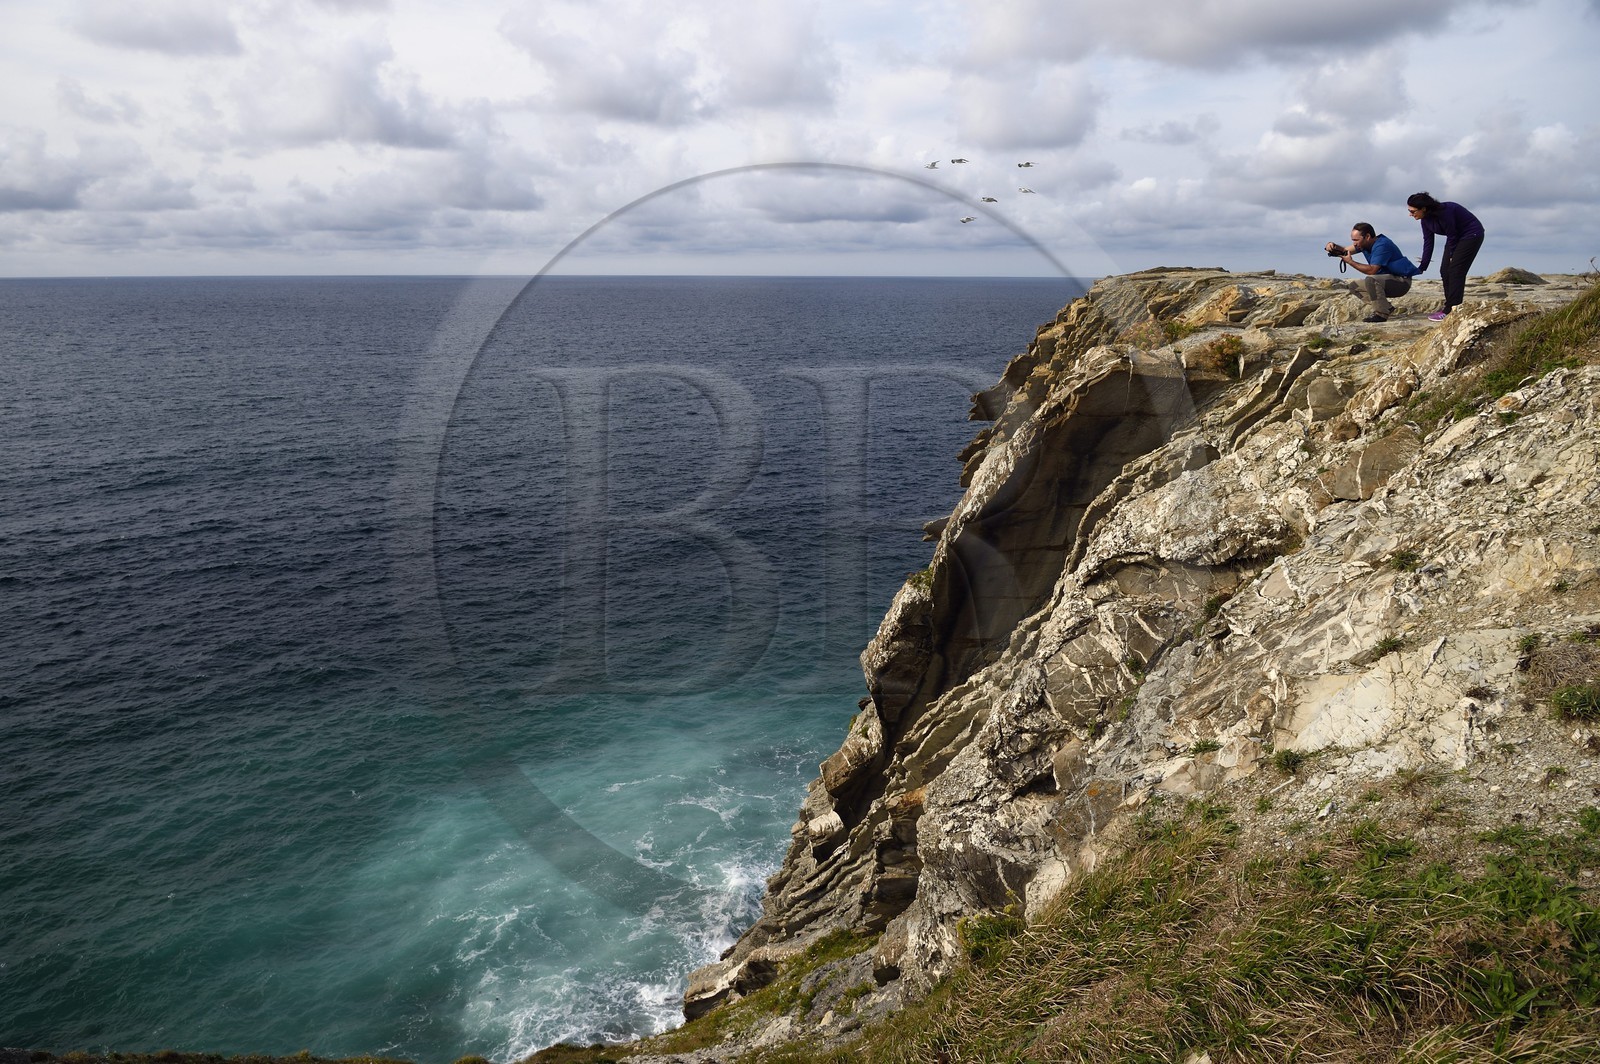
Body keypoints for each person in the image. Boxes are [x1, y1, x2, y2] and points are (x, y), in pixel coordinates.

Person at [1407, 192, 1485, 320]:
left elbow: (1452, 234)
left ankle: (1452, 309)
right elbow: (1428, 242)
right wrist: (1422, 266)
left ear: (1424, 208)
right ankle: (1450, 306)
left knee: (1455, 271)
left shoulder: (1445, 212)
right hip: (1455, 237)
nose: (1410, 214)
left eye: (1413, 211)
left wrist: (1452, 255)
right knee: (1444, 271)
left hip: (1471, 234)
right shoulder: (1425, 220)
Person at [1325, 222, 1420, 323]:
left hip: (1401, 282)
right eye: (1353, 240)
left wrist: (1350, 262)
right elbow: (1344, 250)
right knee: (1354, 286)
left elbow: (1372, 270)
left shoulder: (1382, 245)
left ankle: (1381, 314)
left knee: (1371, 279)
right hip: (1385, 280)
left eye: (1356, 240)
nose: (1354, 243)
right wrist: (1332, 246)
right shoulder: (1364, 244)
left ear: (1367, 236)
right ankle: (1386, 307)